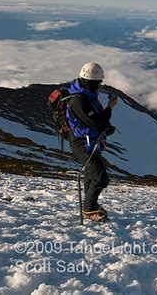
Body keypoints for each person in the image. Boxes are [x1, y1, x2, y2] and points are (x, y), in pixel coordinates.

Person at [66, 62, 118, 222]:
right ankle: (88, 209)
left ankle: (91, 205)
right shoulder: (78, 102)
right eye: (97, 83)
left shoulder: (86, 97)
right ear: (89, 82)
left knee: (92, 174)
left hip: (89, 142)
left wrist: (108, 111)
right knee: (101, 178)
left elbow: (97, 120)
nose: (99, 86)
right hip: (82, 144)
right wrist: (108, 120)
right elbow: (95, 124)